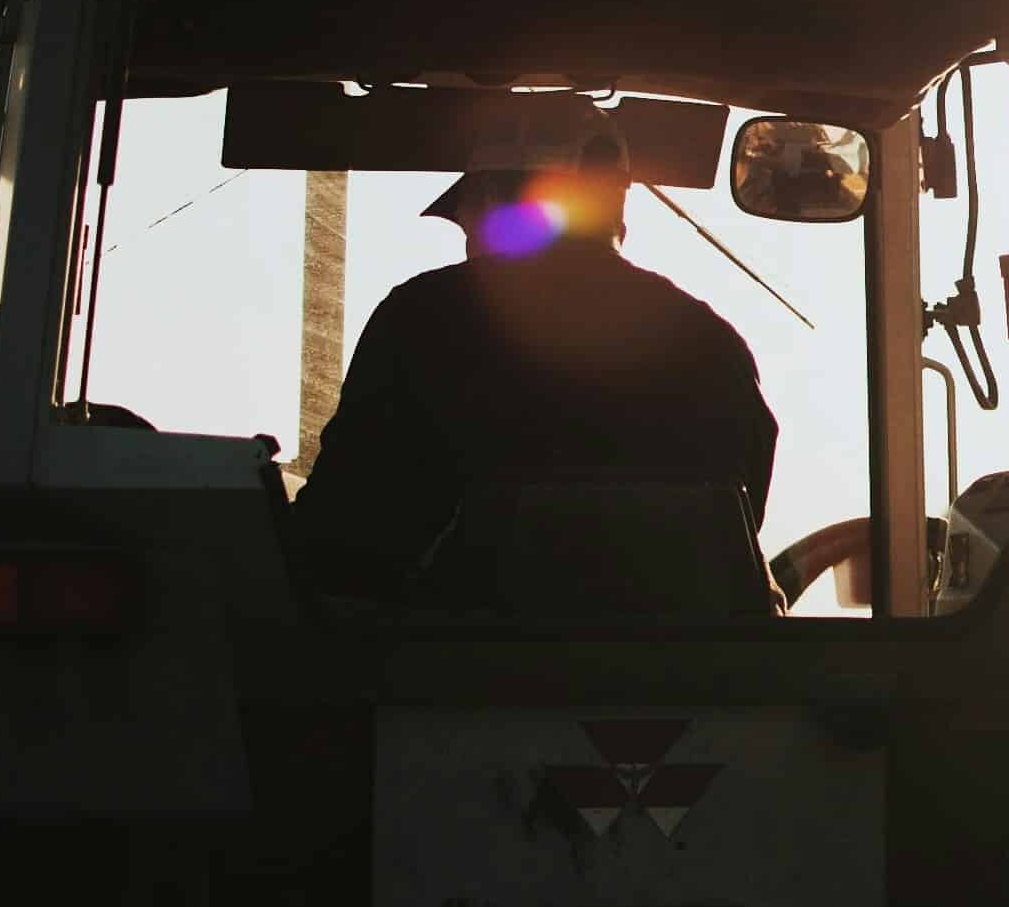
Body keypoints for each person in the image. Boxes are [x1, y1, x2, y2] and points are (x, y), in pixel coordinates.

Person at [286, 109, 777, 601]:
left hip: (449, 665)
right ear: (616, 204)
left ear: (493, 198)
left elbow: (341, 526)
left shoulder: (421, 319)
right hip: (694, 668)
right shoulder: (713, 342)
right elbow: (736, 526)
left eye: (468, 217)